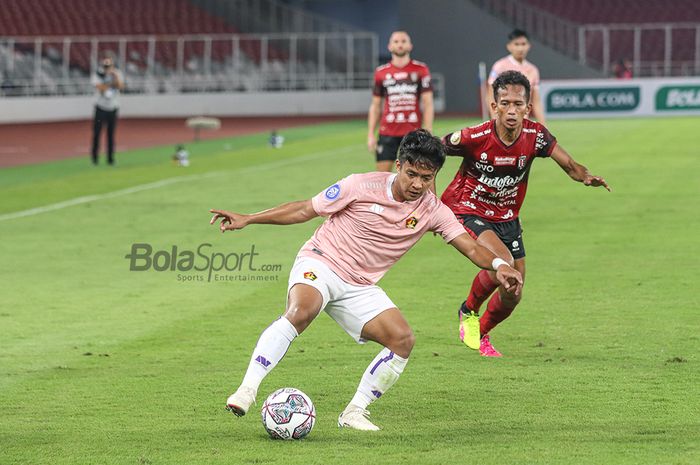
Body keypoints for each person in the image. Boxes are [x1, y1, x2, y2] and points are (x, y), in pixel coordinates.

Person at [210, 130, 523, 431]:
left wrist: (500, 265)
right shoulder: (360, 185)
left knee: (403, 340)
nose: (417, 184)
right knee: (301, 311)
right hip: (322, 261)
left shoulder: (432, 210)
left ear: (435, 175)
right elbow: (306, 209)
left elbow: (468, 246)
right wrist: (249, 218)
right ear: (398, 166)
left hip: (359, 286)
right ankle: (247, 390)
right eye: (411, 174)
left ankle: (354, 411)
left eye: (426, 178)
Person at [442, 70, 610, 357]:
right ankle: (468, 310)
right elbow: (434, 151)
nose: (511, 110)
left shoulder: (536, 136)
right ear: (493, 106)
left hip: (508, 216)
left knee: (514, 290)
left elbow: (569, 164)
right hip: (469, 208)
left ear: (527, 108)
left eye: (518, 104)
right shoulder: (474, 137)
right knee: (503, 263)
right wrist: (431, 203)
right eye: (504, 103)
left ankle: (480, 333)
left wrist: (586, 177)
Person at [367, 31, 434, 172]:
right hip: (387, 132)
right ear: (389, 46)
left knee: (416, 174)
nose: (400, 45)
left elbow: (427, 103)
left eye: (403, 41)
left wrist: (428, 130)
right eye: (396, 42)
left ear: (410, 46)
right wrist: (371, 133)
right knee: (381, 178)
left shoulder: (421, 69)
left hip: (413, 132)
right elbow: (375, 105)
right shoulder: (381, 73)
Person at [484, 29, 546, 125]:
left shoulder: (533, 70)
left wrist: (543, 126)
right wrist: (495, 120)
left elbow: (536, 101)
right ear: (509, 46)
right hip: (503, 121)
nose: (520, 48)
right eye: (516, 44)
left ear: (528, 46)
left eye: (523, 44)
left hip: (523, 122)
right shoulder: (500, 66)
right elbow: (490, 95)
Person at [90, 52, 124, 166]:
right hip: (100, 108)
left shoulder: (117, 73)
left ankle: (110, 158)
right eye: (106, 65)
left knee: (111, 134)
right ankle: (94, 158)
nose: (107, 67)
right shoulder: (97, 74)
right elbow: (101, 88)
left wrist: (114, 76)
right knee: (97, 133)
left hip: (113, 108)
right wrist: (108, 79)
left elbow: (120, 86)